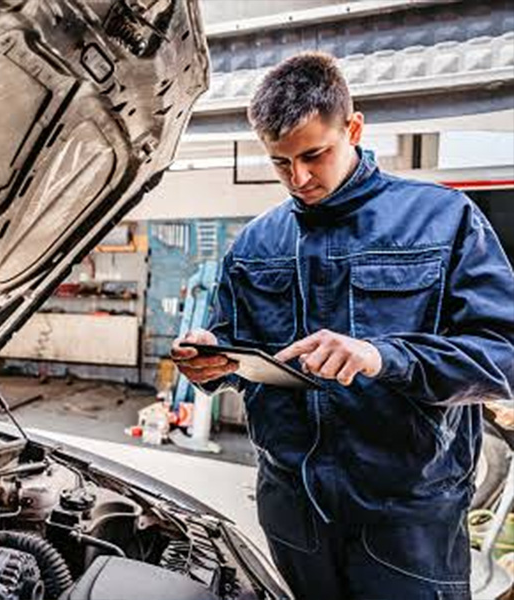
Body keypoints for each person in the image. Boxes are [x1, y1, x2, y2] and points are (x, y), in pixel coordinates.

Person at [171, 52, 514, 600]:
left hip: (406, 520)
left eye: (314, 154)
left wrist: (385, 357)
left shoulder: (445, 220)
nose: (299, 178)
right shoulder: (256, 243)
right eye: (281, 163)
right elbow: (239, 355)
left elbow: (503, 357)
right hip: (292, 511)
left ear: (353, 128)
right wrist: (213, 361)